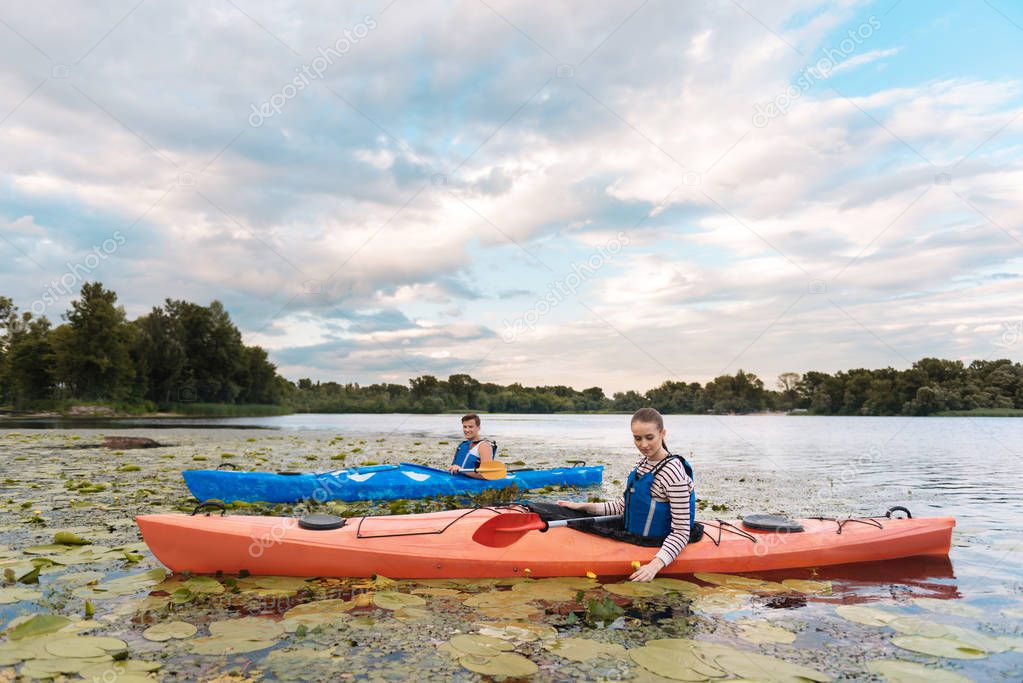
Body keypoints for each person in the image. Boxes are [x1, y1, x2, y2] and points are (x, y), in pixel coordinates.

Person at [557, 407, 695, 582]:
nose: (643, 444)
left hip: (655, 544)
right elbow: (624, 506)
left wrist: (655, 565)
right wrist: (584, 506)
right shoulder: (642, 464)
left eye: (649, 437)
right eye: (637, 438)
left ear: (662, 433)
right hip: (635, 537)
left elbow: (682, 532)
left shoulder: (673, 473)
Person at [447, 413, 496, 479]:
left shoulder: (484, 446)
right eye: (465, 427)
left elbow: (487, 474)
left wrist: (462, 470)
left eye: (470, 427)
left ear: (478, 428)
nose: (467, 430)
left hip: (474, 484)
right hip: (457, 480)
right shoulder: (463, 445)